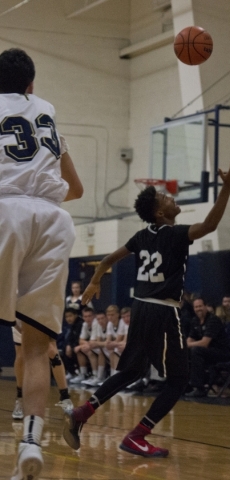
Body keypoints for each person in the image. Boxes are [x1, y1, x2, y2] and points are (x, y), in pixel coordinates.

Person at [63, 160, 230, 458]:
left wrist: (95, 282)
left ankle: (83, 411)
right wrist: (226, 186)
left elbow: (107, 260)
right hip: (162, 311)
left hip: (141, 308)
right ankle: (137, 435)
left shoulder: (141, 236)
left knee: (132, 369)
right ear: (161, 213)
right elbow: (210, 225)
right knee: (178, 380)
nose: (172, 198)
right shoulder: (174, 234)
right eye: (166, 199)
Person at [0, 48, 83, 480]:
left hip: (4, 212)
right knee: (36, 347)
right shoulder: (48, 113)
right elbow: (77, 189)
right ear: (32, 85)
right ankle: (31, 442)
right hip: (53, 220)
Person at [12, 321, 73, 420]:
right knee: (21, 356)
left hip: (45, 311)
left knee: (52, 351)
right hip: (22, 313)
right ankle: (20, 397)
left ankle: (65, 397)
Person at [186, 298, 230, 397]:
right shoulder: (195, 321)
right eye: (196, 307)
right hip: (207, 351)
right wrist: (187, 345)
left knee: (196, 351)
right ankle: (184, 385)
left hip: (222, 352)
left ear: (205, 307)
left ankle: (199, 387)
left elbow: (204, 343)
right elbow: (190, 339)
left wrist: (189, 345)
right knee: (183, 351)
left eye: (200, 306)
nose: (198, 309)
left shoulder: (213, 320)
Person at [61, 306, 84, 380]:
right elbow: (70, 338)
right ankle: (71, 372)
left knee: (74, 349)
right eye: (66, 317)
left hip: (82, 345)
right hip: (76, 345)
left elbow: (78, 338)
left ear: (76, 315)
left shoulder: (80, 324)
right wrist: (68, 345)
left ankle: (80, 373)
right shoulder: (72, 325)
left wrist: (71, 346)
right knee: (65, 348)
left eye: (70, 316)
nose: (68, 318)